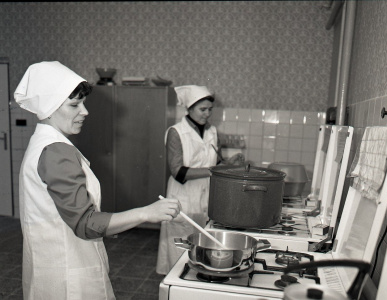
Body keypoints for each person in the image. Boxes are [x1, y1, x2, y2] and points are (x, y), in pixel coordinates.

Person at [14, 61, 181, 299]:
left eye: (83, 103)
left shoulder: (43, 143)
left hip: (55, 265)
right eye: (74, 104)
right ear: (50, 108)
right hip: (68, 276)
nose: (85, 111)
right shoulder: (56, 152)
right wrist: (147, 213)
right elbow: (85, 223)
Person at [156, 85, 244, 275]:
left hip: (205, 196)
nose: (207, 114)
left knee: (202, 247)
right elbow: (178, 172)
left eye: (210, 109)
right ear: (189, 108)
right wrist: (215, 169)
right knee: (180, 251)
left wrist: (230, 162)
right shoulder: (176, 132)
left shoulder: (212, 132)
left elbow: (216, 161)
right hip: (183, 197)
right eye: (202, 109)